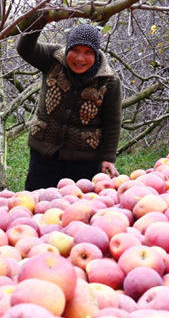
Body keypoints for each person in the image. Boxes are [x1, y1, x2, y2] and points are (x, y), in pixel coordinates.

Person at [17, 20, 122, 190]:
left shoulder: (109, 81)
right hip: (44, 153)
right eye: (74, 50)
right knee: (37, 202)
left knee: (78, 208)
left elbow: (113, 121)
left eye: (88, 52)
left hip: (84, 160)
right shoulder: (53, 59)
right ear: (67, 49)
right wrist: (38, 18)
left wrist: (108, 158)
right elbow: (25, 49)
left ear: (96, 53)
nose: (80, 58)